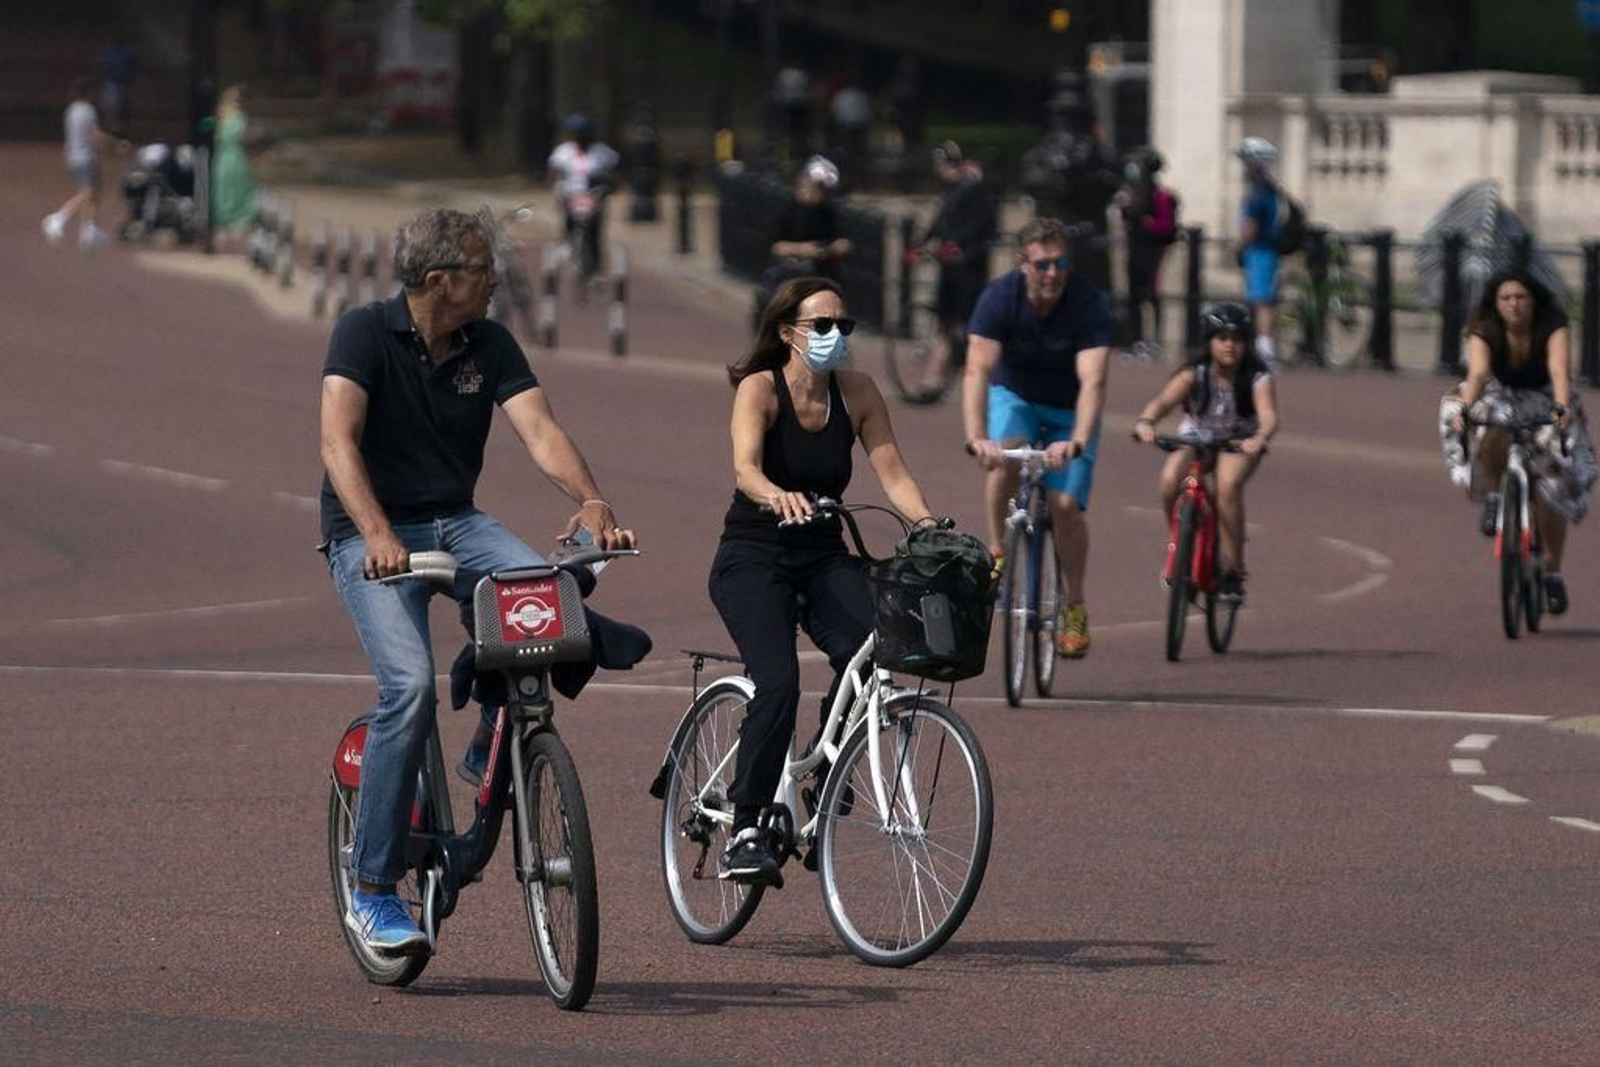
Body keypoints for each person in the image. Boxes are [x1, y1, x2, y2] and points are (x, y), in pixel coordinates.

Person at [320, 208, 635, 953]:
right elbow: (337, 442)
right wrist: (377, 534)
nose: (496, 280)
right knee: (409, 689)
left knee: (552, 596)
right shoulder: (364, 333)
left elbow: (541, 431)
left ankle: (495, 719)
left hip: (457, 522)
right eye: (483, 270)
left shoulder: (488, 343)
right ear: (439, 281)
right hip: (372, 533)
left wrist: (590, 503)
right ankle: (372, 890)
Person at [710, 276, 937, 883]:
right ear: (788, 333)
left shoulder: (858, 392)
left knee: (875, 649)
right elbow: (744, 469)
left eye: (844, 326)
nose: (836, 337)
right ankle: (747, 826)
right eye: (822, 326)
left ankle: (819, 768)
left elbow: (892, 472)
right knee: (776, 680)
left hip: (823, 552)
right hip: (753, 555)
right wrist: (776, 496)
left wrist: (929, 524)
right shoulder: (761, 388)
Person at [964, 217, 1115, 659]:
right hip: (1018, 396)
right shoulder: (999, 297)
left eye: (1060, 263)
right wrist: (977, 437)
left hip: (1071, 410)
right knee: (1006, 453)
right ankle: (997, 551)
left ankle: (1074, 605)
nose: (1052, 274)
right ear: (1023, 264)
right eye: (1043, 264)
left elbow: (1094, 382)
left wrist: (1078, 441)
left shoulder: (1088, 304)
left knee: (1064, 505)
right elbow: (977, 369)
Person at [1441, 268, 1597, 613]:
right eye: (1506, 298)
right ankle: (1496, 495)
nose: (1514, 305)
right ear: (1495, 304)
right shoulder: (1484, 327)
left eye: (1521, 297)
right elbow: (1478, 374)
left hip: (1545, 398)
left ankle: (1553, 573)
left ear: (1533, 300)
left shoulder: (1551, 323)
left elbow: (1559, 371)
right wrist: (1466, 409)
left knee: (1554, 485)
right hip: (1502, 395)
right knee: (1488, 429)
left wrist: (1561, 407)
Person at [1132, 302, 1279, 600]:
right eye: (1222, 338)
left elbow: (1269, 416)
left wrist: (1259, 437)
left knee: (1227, 486)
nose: (1229, 346)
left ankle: (1233, 571)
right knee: (1169, 479)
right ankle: (1181, 542)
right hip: (1197, 439)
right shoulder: (1194, 373)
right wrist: (1146, 422)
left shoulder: (1256, 376)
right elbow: (1162, 402)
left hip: (1236, 441)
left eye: (1236, 339)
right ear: (1209, 341)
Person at [907, 141, 998, 401]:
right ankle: (933, 380)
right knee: (944, 323)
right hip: (950, 269)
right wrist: (921, 244)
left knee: (973, 327)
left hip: (969, 270)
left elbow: (982, 228)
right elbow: (940, 222)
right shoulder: (952, 190)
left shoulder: (975, 188)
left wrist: (958, 248)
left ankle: (987, 382)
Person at [754, 156, 852, 322]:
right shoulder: (786, 209)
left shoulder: (826, 212)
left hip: (820, 272)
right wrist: (802, 249)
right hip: (789, 271)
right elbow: (773, 245)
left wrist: (837, 247)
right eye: (819, 188)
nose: (820, 194)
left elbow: (840, 239)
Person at [41, 76, 129, 250]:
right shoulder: (87, 110)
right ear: (88, 92)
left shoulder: (72, 110)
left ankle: (88, 231)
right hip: (84, 157)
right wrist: (115, 143)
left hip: (74, 155)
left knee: (94, 192)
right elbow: (94, 134)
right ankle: (59, 218)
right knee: (87, 194)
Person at [1114, 146, 1180, 356]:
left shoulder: (1161, 196)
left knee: (1152, 294)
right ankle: (1136, 339)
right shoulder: (1131, 193)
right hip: (1135, 248)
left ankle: (1156, 340)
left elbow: (1167, 225)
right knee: (1134, 296)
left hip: (1154, 250)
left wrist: (1149, 224)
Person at [547, 113, 620, 277]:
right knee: (569, 219)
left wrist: (608, 184)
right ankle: (569, 241)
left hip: (594, 195)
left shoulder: (602, 152)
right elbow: (555, 172)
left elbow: (612, 171)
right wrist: (558, 184)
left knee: (595, 230)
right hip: (571, 194)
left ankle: (594, 269)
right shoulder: (563, 151)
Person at [1236, 136, 1281, 364]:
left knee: (1262, 299)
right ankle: (1261, 343)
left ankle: (1265, 347)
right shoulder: (1267, 188)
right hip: (1264, 249)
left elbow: (1251, 227)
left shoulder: (1259, 192)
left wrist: (1240, 245)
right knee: (1260, 298)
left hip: (1260, 250)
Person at [208, 84, 259, 235]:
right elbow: (242, 138)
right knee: (236, 187)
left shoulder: (221, 114)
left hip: (223, 157)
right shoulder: (237, 116)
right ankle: (234, 220)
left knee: (227, 188)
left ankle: (225, 219)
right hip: (235, 156)